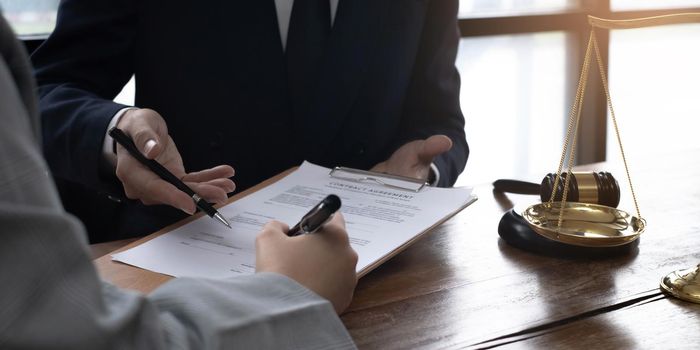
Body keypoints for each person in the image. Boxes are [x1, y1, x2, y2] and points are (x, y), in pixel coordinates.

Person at [0, 15, 358, 349]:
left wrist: (414, 138)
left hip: (388, 252)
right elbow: (46, 89)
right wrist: (116, 129)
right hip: (172, 259)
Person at [31, 0, 469, 240]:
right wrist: (118, 132)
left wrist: (421, 172)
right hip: (185, 266)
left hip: (370, 266)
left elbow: (439, 119)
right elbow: (40, 93)